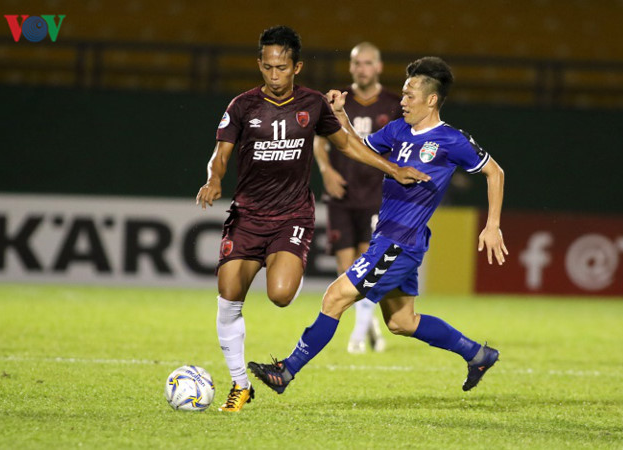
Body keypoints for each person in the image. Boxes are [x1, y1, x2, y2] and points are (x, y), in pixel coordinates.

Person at [195, 26, 429, 412]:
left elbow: (350, 145)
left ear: (296, 67)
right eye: (267, 67)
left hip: (292, 216)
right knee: (228, 296)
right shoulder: (242, 106)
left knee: (281, 295)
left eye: (281, 68)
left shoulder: (314, 104)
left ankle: (288, 263)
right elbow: (220, 154)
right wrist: (213, 179)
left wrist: (392, 169)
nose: (273, 76)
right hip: (248, 215)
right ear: (260, 64)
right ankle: (239, 385)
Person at [248, 56, 508, 397]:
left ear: (431, 99)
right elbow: (358, 148)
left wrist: (492, 226)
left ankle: (287, 371)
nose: (402, 101)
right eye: (402, 93)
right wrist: (341, 116)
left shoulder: (450, 140)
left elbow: (495, 172)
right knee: (402, 322)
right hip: (390, 237)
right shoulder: (398, 129)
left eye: (410, 94)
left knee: (334, 297)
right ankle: (479, 355)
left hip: (401, 241)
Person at [313, 42, 402, 354]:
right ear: (350, 67)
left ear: (378, 67)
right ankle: (369, 324)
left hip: (376, 197)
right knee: (345, 270)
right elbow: (320, 142)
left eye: (367, 63)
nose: (362, 68)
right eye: (356, 63)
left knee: (368, 267)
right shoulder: (337, 100)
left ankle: (361, 331)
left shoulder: (393, 103)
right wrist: (325, 170)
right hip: (341, 195)